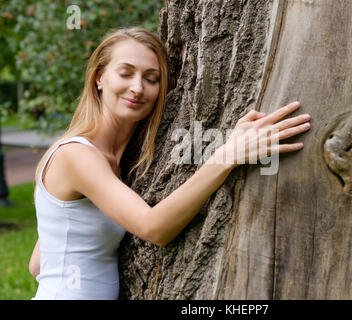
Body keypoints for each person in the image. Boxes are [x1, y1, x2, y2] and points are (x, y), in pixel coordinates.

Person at [28, 27, 311, 300]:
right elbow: (154, 229)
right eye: (125, 73)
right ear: (99, 78)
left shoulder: (118, 160)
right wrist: (228, 155)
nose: (137, 88)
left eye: (152, 79)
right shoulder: (77, 156)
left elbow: (38, 264)